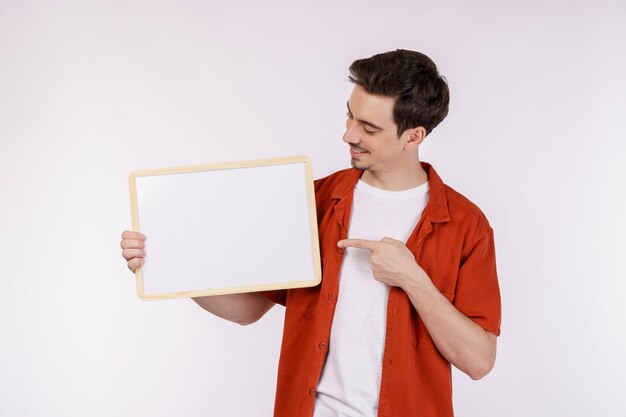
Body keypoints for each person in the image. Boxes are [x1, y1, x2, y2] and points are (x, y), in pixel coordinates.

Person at [121, 49, 501, 417]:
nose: (348, 135)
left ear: (414, 137)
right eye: (350, 117)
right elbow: (247, 310)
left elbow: (479, 360)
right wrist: (172, 265)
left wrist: (413, 279)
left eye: (368, 128)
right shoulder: (312, 200)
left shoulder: (467, 225)